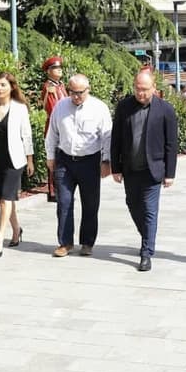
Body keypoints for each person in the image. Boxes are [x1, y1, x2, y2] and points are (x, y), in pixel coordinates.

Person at [110, 70, 178, 272]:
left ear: (154, 88)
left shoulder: (165, 109)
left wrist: (170, 173)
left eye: (145, 90)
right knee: (132, 204)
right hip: (131, 168)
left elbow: (171, 144)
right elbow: (116, 139)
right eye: (137, 89)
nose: (140, 93)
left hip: (153, 169)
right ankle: (148, 235)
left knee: (150, 210)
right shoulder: (124, 107)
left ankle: (146, 252)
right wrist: (116, 167)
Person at [45, 73, 112, 257]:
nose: (76, 96)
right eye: (72, 92)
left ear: (88, 90)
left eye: (80, 93)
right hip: (65, 160)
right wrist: (50, 157)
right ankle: (65, 243)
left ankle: (87, 242)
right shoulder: (60, 107)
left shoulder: (99, 108)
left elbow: (107, 137)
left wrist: (106, 161)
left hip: (90, 160)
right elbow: (52, 134)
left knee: (90, 204)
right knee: (64, 203)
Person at [0, 71, 34, 259]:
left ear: (12, 87)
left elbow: (26, 136)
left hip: (15, 160)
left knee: (5, 200)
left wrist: (30, 159)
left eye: (3, 85)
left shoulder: (20, 108)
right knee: (5, 198)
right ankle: (17, 230)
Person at [41, 55, 68, 203]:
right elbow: (53, 109)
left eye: (59, 68)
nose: (59, 70)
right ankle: (54, 191)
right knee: (53, 159)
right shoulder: (49, 87)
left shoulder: (61, 86)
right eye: (55, 68)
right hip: (55, 127)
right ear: (49, 71)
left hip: (64, 127)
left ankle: (61, 189)